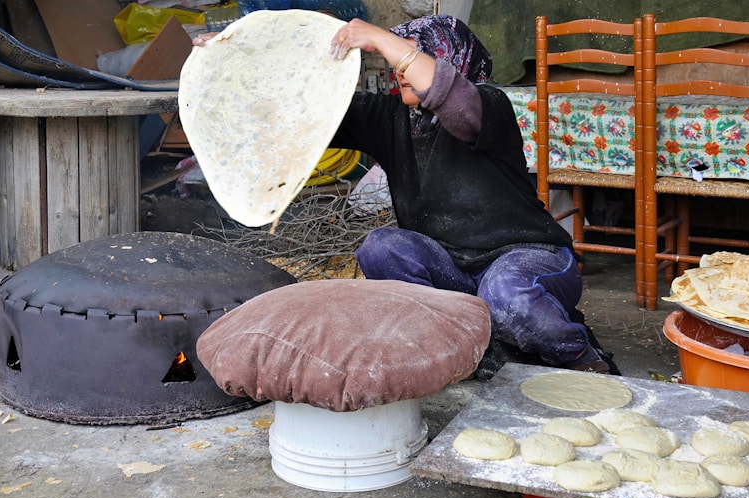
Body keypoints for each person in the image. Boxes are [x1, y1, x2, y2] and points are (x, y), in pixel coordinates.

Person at [194, 14, 618, 378]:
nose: (399, 68)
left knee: (506, 294)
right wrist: (237, 59)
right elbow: (305, 103)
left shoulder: (490, 105)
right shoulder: (391, 119)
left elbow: (455, 103)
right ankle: (473, 353)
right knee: (381, 248)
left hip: (528, 258)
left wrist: (379, 39)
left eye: (413, 55)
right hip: (451, 268)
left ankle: (580, 356)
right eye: (397, 56)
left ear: (453, 61)